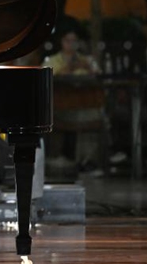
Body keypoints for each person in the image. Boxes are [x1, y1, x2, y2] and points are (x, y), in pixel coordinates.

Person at [42, 21, 105, 174]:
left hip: (86, 107)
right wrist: (68, 68)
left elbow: (99, 76)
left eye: (74, 41)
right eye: (68, 40)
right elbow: (45, 80)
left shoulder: (87, 61)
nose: (71, 44)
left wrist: (87, 67)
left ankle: (88, 161)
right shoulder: (52, 61)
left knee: (94, 117)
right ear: (61, 42)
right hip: (60, 109)